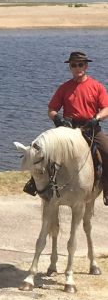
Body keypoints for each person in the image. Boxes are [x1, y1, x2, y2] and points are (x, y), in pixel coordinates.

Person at [23, 51, 108, 205]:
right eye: (73, 65)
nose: (77, 68)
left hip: (90, 127)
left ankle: (107, 189)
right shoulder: (64, 88)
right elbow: (51, 109)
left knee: (107, 150)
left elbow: (106, 108)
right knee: (43, 151)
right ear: (70, 67)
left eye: (80, 64)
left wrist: (96, 119)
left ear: (86, 66)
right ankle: (34, 183)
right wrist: (57, 118)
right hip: (68, 128)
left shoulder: (97, 87)